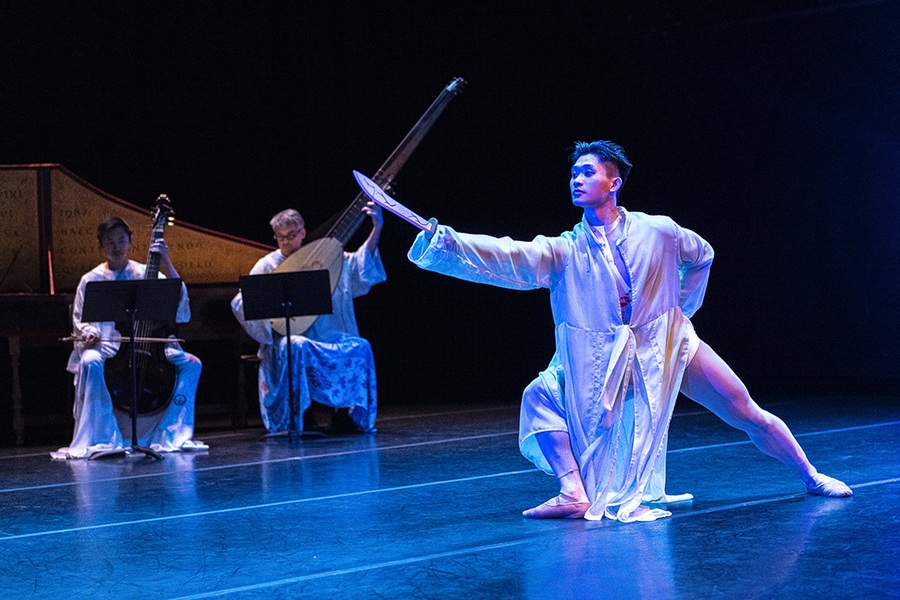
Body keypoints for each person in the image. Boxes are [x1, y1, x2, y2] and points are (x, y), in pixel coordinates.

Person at [407, 140, 852, 522]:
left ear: (613, 182)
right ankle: (573, 493)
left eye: (587, 172)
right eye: (573, 173)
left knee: (743, 407)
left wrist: (682, 307)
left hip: (667, 338)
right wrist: (446, 241)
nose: (575, 180)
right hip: (603, 352)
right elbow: (507, 256)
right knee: (540, 395)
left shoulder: (659, 230)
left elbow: (703, 255)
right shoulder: (565, 250)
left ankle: (810, 475)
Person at [52, 216, 205, 460]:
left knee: (192, 364)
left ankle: (173, 434)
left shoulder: (145, 273)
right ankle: (101, 438)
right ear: (101, 244)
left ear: (130, 240)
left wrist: (165, 260)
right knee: (90, 361)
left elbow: (177, 302)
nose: (116, 247)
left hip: (149, 345)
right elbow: (80, 320)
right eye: (109, 242)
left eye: (121, 240)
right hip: (107, 346)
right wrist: (89, 333)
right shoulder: (91, 279)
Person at [231, 202, 385, 435]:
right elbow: (242, 300)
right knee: (298, 346)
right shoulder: (268, 264)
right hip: (287, 339)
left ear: (302, 233)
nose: (285, 241)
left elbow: (359, 266)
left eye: (291, 235)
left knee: (360, 346)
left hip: (327, 334)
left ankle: (346, 415)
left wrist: (377, 227)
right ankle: (302, 415)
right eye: (279, 236)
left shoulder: (324, 257)